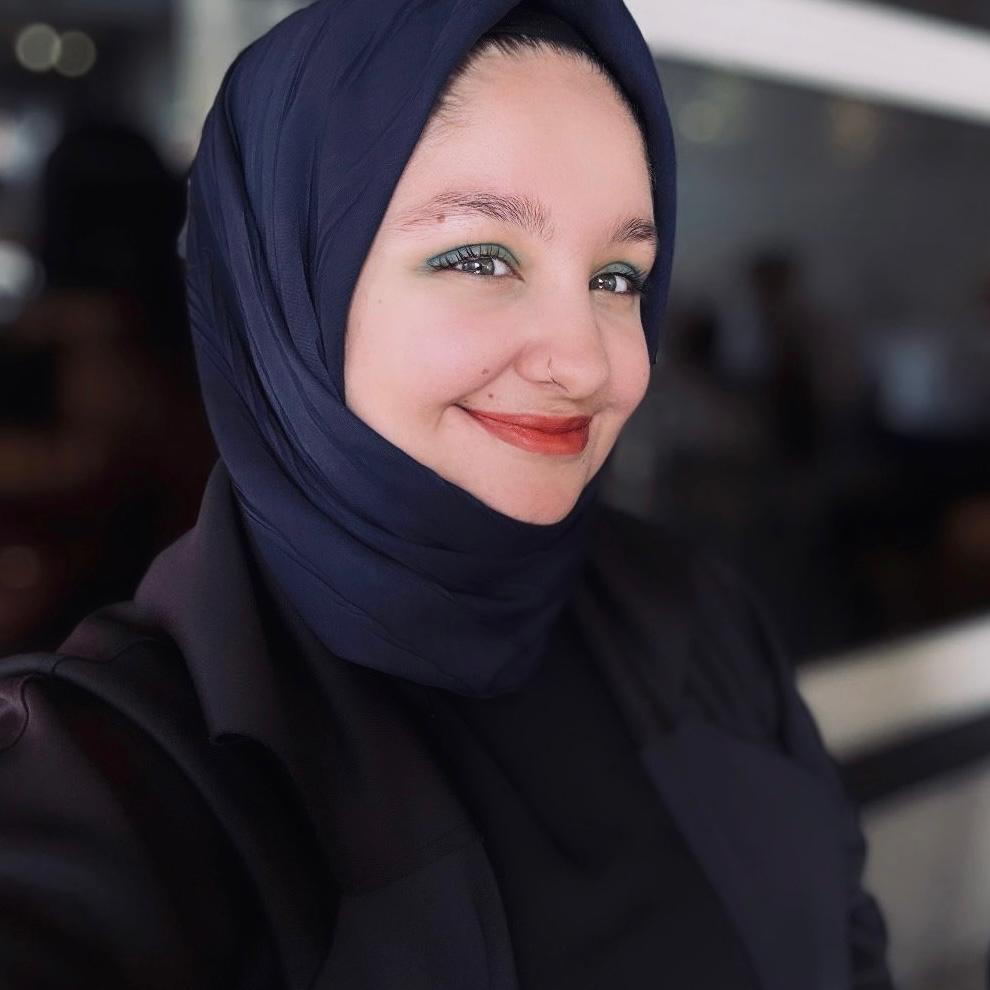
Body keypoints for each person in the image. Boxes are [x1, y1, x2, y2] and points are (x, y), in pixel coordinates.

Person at [0, 2, 893, 987]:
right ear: (285, 281)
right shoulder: (119, 775)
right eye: (478, 257)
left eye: (617, 276)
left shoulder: (699, 617)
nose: (585, 361)